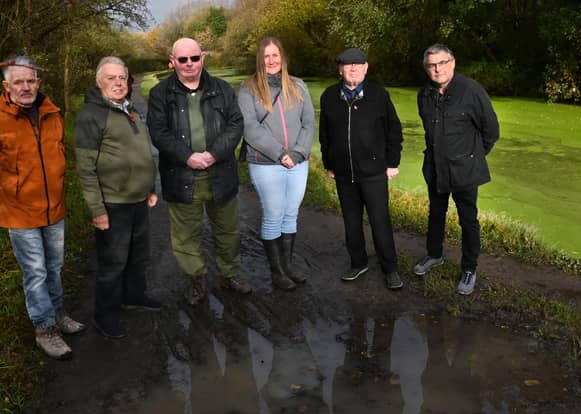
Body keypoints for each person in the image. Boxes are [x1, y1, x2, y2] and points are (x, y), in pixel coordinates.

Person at [147, 37, 251, 303]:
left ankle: (229, 275)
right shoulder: (160, 94)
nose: (189, 64)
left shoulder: (223, 89)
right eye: (183, 59)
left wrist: (215, 154)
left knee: (228, 231)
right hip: (181, 177)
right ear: (172, 62)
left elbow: (235, 125)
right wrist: (187, 156)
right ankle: (197, 279)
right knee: (185, 236)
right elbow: (158, 132)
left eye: (194, 58)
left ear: (203, 58)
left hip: (220, 175)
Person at [0, 55, 85, 360]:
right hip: (19, 211)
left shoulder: (53, 112)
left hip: (55, 208)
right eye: (18, 82)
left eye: (30, 80)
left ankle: (58, 314)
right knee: (35, 272)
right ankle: (45, 329)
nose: (26, 87)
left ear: (38, 82)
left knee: (54, 266)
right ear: (6, 86)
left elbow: (60, 153)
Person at [75, 56, 160, 339]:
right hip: (113, 204)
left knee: (138, 257)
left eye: (122, 77)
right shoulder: (91, 114)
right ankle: (105, 316)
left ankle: (134, 296)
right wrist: (97, 210)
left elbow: (140, 152)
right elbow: (86, 168)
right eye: (111, 78)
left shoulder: (129, 108)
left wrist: (149, 188)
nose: (118, 83)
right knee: (113, 264)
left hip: (138, 200)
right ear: (99, 82)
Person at [414, 44, 499, 295]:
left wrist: (471, 156)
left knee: (468, 220)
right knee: (435, 213)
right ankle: (434, 255)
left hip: (464, 169)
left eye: (441, 63)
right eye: (431, 65)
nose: (437, 69)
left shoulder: (471, 91)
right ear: (426, 68)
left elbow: (491, 131)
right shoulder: (424, 94)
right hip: (435, 167)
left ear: (452, 63)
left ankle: (469, 267)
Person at [319, 47, 404, 290]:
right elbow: (324, 134)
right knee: (351, 222)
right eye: (347, 64)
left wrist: (392, 162)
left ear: (366, 67)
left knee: (380, 222)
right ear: (340, 69)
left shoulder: (379, 95)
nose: (353, 68)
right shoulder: (329, 96)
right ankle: (358, 263)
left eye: (358, 63)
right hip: (344, 174)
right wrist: (329, 163)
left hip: (374, 173)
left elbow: (394, 131)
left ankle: (391, 268)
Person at [237, 37, 315, 291]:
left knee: (291, 214)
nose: (271, 61)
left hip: (298, 162)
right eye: (266, 56)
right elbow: (249, 128)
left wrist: (299, 152)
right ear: (260, 59)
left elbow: (309, 123)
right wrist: (281, 153)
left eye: (275, 55)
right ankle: (277, 272)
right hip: (265, 163)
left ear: (283, 57)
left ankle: (288, 265)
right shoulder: (248, 89)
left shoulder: (298, 85)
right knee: (273, 216)